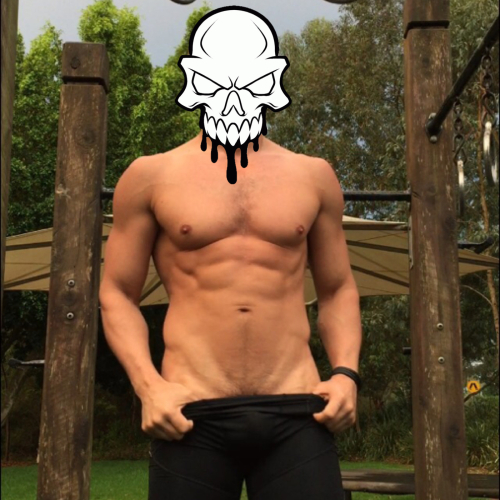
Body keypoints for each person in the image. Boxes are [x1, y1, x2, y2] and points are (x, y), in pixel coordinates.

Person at [99, 126, 363, 499]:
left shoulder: (313, 175)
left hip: (297, 409)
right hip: (189, 413)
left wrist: (346, 375)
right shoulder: (150, 176)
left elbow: (337, 290)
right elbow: (117, 293)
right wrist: (149, 387)